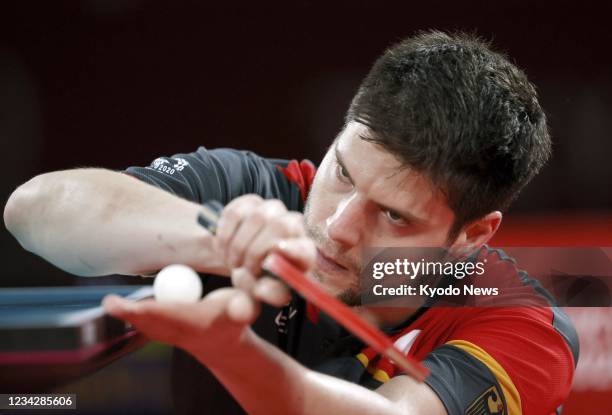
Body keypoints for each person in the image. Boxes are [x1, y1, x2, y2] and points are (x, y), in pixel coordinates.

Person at [4, 31, 578, 414]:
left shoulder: (520, 325)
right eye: (345, 174)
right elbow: (34, 210)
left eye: (394, 215)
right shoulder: (256, 192)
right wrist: (215, 238)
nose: (339, 225)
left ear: (472, 237)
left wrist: (233, 352)